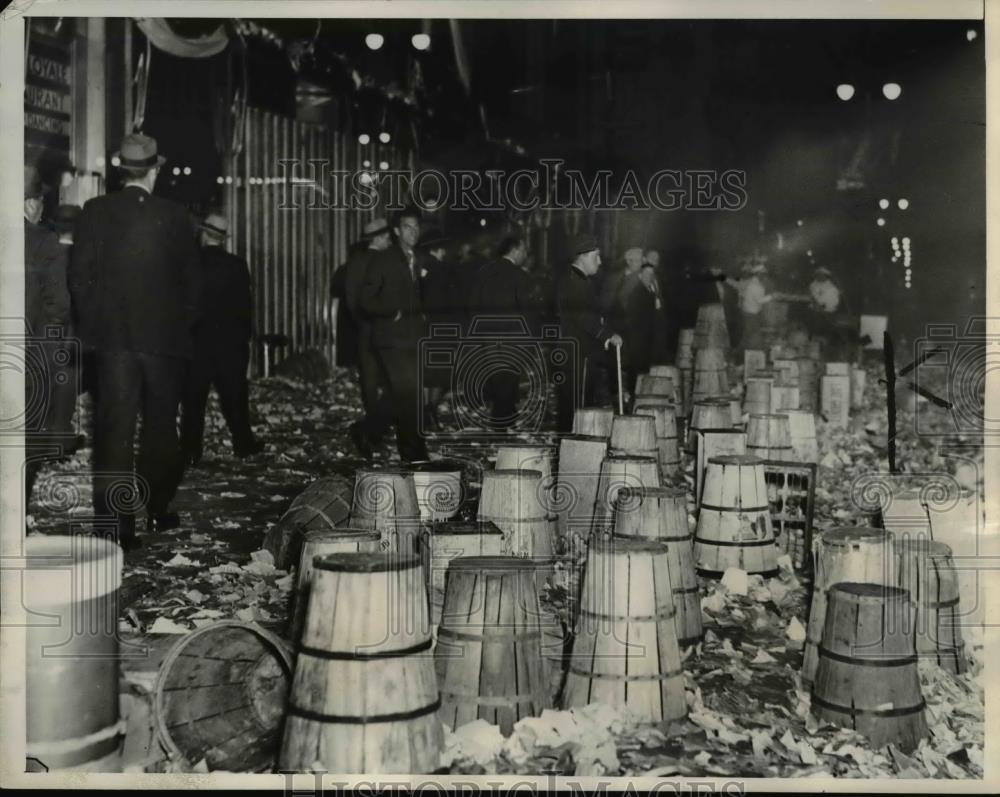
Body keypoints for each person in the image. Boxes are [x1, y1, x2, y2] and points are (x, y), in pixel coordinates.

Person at [69, 133, 201, 548]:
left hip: (114, 343)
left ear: (121, 171)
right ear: (154, 170)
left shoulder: (94, 211)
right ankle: (158, 509)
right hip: (164, 344)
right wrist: (179, 328)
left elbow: (78, 280)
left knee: (114, 432)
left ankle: (114, 528)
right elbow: (194, 286)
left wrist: (99, 329)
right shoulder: (176, 216)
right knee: (162, 429)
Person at [180, 213, 263, 467]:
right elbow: (245, 309)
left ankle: (191, 451)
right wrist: (245, 342)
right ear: (223, 239)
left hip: (196, 343)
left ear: (204, 234)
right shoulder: (237, 265)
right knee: (235, 398)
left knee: (193, 400)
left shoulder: (189, 264)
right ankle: (243, 445)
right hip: (230, 344)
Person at [355, 209, 429, 463]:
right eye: (408, 227)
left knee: (404, 394)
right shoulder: (383, 259)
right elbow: (365, 299)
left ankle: (366, 431)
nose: (414, 232)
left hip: (413, 338)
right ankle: (413, 453)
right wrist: (391, 312)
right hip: (390, 339)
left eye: (417, 227)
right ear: (396, 231)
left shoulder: (419, 258)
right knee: (408, 394)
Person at [23, 166, 73, 508]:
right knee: (25, 440)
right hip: (26, 358)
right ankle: (15, 512)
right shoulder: (42, 241)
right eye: (40, 200)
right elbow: (58, 306)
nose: (42, 207)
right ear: (28, 204)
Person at [555, 233, 622, 432]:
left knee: (577, 407)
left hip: (579, 354)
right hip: (578, 356)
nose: (600, 262)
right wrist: (607, 334)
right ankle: (570, 454)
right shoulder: (573, 283)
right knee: (576, 409)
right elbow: (584, 317)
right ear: (582, 256)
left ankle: (571, 451)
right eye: (596, 256)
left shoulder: (579, 280)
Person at [340, 218, 393, 452]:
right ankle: (373, 428)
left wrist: (363, 323)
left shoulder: (355, 262)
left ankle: (372, 431)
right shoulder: (390, 262)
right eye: (388, 237)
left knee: (369, 383)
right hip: (389, 332)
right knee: (395, 383)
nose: (390, 240)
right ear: (380, 238)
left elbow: (351, 300)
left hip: (365, 330)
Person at [472, 234, 533, 431]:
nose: (525, 254)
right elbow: (526, 311)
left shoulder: (483, 272)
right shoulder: (520, 276)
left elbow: (473, 304)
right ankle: (502, 425)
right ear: (515, 249)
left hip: (488, 335)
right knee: (508, 380)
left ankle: (505, 419)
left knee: (498, 379)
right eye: (524, 249)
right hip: (513, 337)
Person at [417, 228, 456, 431]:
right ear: (439, 249)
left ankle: (425, 411)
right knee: (439, 373)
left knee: (427, 372)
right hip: (442, 328)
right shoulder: (442, 270)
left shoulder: (422, 268)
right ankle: (430, 411)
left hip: (426, 327)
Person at [736, 259, 773, 352]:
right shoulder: (755, 285)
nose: (764, 275)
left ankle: (739, 358)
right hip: (751, 315)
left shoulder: (756, 284)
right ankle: (746, 357)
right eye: (763, 273)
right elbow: (759, 300)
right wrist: (773, 296)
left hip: (750, 313)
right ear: (758, 274)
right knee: (752, 338)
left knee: (747, 337)